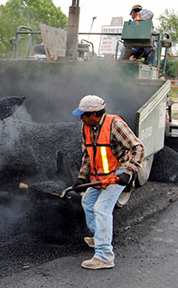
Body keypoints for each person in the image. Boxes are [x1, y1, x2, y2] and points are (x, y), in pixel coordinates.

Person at [71, 95, 144, 269]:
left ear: (94, 114)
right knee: (88, 202)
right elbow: (88, 155)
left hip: (119, 170)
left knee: (101, 208)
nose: (81, 118)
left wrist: (129, 172)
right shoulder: (86, 127)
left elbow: (138, 147)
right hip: (101, 174)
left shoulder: (115, 124)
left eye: (83, 115)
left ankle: (104, 256)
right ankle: (99, 238)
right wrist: (82, 176)